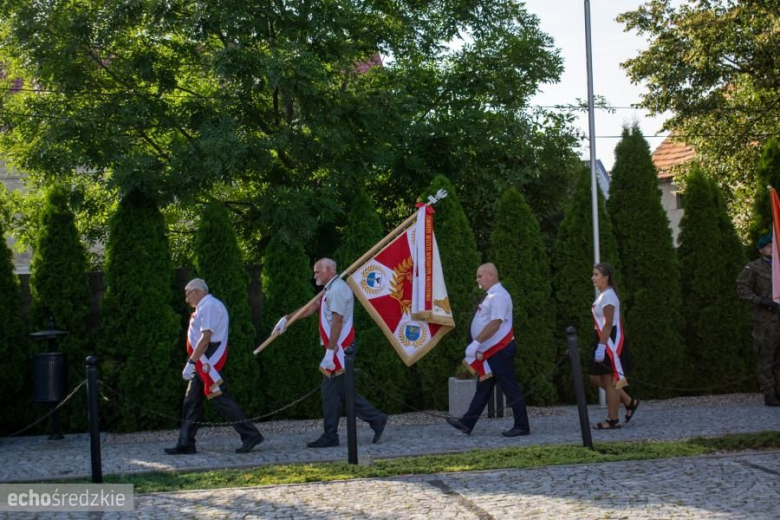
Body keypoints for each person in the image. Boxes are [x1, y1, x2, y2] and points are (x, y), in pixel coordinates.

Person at [272, 258, 388, 448]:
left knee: (330, 392)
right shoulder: (329, 289)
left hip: (340, 349)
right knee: (341, 392)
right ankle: (375, 419)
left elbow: (337, 321)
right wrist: (287, 319)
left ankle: (332, 435)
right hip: (338, 349)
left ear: (329, 271)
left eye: (318, 272)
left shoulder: (338, 290)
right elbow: (312, 307)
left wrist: (330, 351)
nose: (315, 275)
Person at [165, 279, 264, 454]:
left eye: (187, 293)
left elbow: (205, 339)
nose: (186, 299)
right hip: (204, 356)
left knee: (219, 397)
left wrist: (191, 362)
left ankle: (250, 434)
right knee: (192, 400)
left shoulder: (209, 306)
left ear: (197, 291)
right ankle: (186, 442)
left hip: (208, 357)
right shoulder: (205, 306)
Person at [445, 263, 531, 437]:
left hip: (500, 350)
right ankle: (467, 423)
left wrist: (476, 342)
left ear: (491, 275)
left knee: (510, 387)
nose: (477, 279)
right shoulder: (491, 295)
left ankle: (522, 426)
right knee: (483, 388)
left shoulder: (498, 296)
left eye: (479, 276)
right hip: (492, 351)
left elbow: (495, 323)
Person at [589, 263, 639, 429]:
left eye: (596, 275)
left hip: (610, 340)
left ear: (606, 277)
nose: (593, 278)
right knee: (595, 378)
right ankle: (628, 401)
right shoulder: (603, 295)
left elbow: (608, 324)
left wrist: (602, 346)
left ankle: (613, 420)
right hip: (603, 338)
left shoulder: (608, 296)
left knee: (610, 381)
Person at [736, 234, 780, 407]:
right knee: (766, 358)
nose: (771, 249)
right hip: (765, 322)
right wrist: (761, 301)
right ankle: (769, 394)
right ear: (761, 250)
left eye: (773, 246)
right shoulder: (753, 268)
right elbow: (742, 290)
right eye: (768, 246)